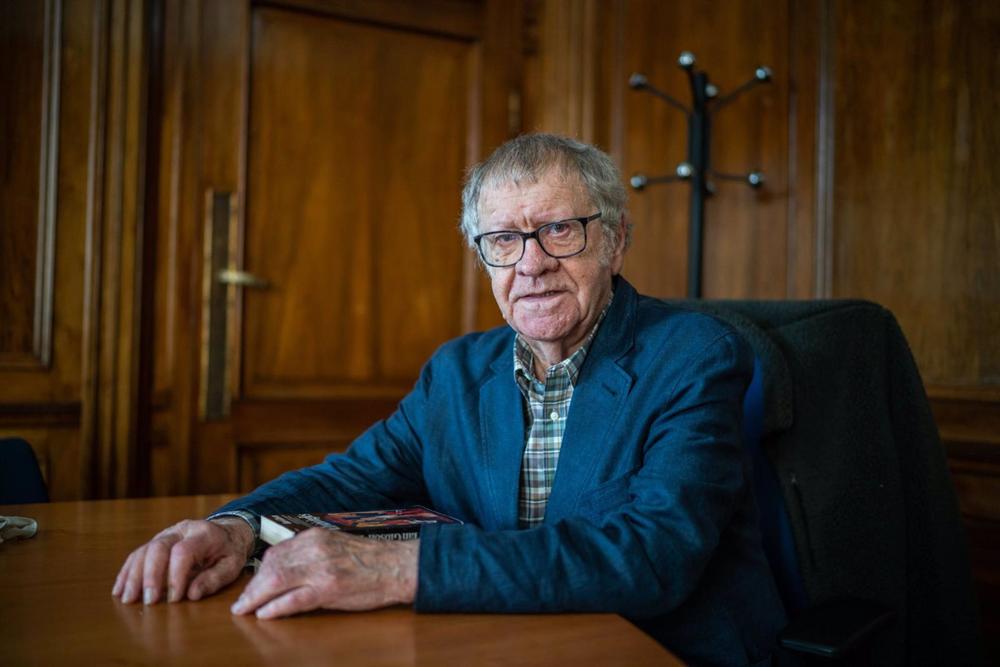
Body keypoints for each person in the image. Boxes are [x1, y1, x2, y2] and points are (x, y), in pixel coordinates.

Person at [113, 133, 786, 666]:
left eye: (560, 229)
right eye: (503, 240)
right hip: (505, 643)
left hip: (659, 648)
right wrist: (240, 525)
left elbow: (649, 556)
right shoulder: (457, 371)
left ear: (614, 240)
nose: (531, 263)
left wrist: (399, 568)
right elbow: (351, 476)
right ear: (483, 257)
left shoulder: (695, 355)